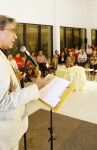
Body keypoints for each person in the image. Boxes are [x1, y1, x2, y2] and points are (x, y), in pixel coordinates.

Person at [0, 15, 53, 150]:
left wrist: (14, 78)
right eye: (12, 30)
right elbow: (3, 102)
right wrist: (36, 87)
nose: (15, 36)